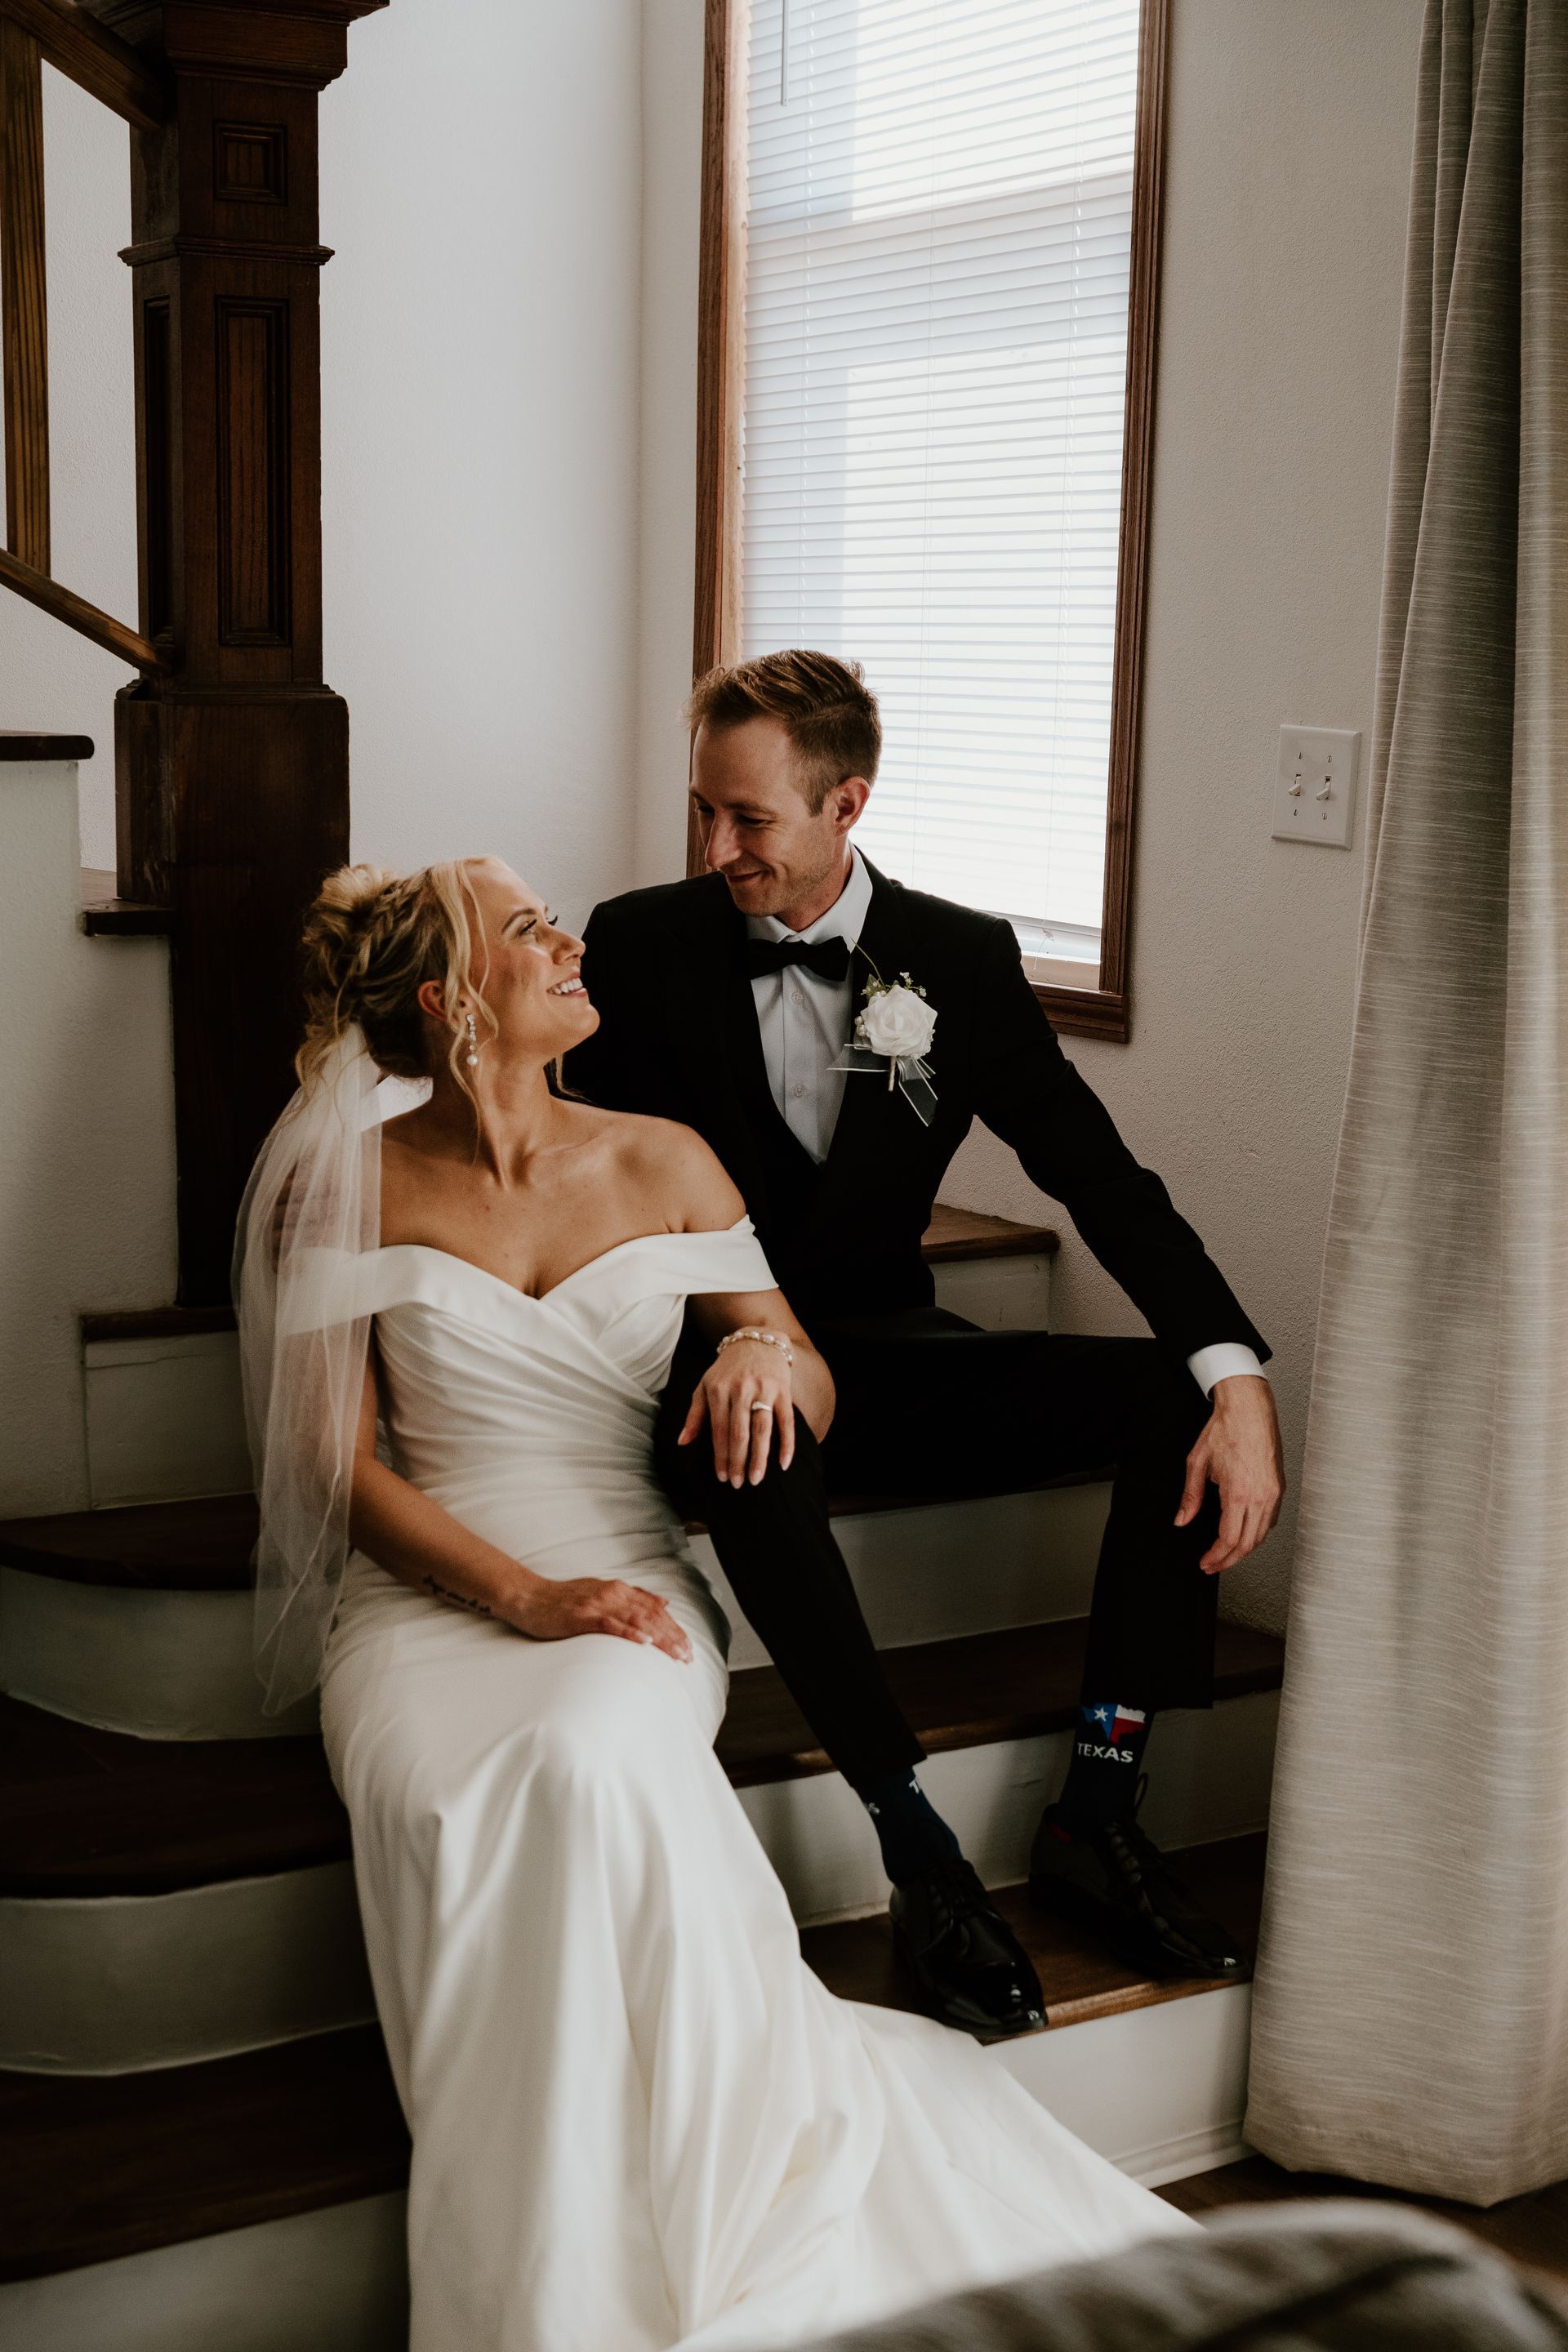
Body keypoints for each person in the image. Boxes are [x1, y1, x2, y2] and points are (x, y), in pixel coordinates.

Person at [234, 854, 1192, 2352]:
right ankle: (546, 2235)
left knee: (593, 1748)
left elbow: (797, 1356)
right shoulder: (346, 1187)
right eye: (527, 928)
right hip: (432, 1597)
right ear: (450, 1002)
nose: (566, 939)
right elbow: (331, 1464)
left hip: (625, 1574)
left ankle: (701, 2173)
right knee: (472, 1782)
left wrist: (761, 1360)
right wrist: (521, 1594)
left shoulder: (662, 1158)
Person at [567, 651, 1286, 2035]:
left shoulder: (957, 958)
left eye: (751, 820)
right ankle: (917, 1842)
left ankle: (1097, 1803)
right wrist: (719, 1330)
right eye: (704, 812)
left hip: (889, 1350)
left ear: (848, 802)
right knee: (755, 1442)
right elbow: (575, 1171)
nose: (718, 847)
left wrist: (1232, 1368)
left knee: (1163, 1405)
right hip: (705, 1357)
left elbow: (1098, 1177)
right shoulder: (638, 939)